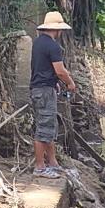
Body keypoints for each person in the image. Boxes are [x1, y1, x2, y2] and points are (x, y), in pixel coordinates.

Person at [30, 10, 77, 179]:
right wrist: (69, 83)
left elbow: (42, 68)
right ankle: (40, 167)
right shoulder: (53, 46)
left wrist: (54, 82)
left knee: (49, 127)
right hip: (44, 92)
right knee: (44, 128)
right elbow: (60, 70)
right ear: (57, 30)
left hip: (42, 88)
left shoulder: (38, 43)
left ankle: (53, 163)